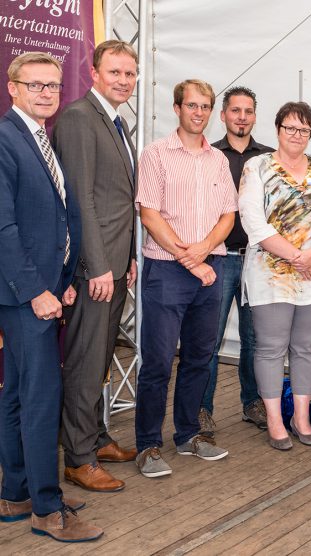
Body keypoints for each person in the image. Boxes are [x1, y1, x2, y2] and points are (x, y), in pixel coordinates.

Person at [0, 51, 98, 542]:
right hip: (24, 296)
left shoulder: (39, 138)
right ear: (12, 87)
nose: (45, 93)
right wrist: (37, 290)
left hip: (44, 291)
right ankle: (46, 507)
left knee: (18, 395)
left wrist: (61, 279)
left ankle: (16, 492)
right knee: (42, 399)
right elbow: (4, 227)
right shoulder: (5, 139)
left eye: (53, 85)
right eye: (35, 84)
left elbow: (55, 217)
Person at [134, 79, 237, 477]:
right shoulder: (156, 155)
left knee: (199, 358)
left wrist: (204, 249)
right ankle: (147, 446)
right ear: (177, 108)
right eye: (192, 105)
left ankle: (188, 435)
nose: (199, 112)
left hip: (211, 269)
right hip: (168, 270)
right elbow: (149, 215)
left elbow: (228, 215)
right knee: (158, 361)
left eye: (206, 106)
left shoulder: (217, 161)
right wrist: (191, 259)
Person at [51, 39, 139, 493]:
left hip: (114, 264)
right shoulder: (79, 117)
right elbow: (80, 199)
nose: (124, 80)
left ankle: (95, 437)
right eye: (116, 72)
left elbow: (118, 201)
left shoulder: (115, 122)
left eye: (130, 73)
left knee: (102, 357)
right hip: (94, 269)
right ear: (94, 73)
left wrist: (127, 260)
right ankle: (78, 459)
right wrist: (99, 264)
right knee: (85, 362)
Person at [239, 101, 311, 450]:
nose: (296, 135)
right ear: (278, 130)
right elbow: (253, 221)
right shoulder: (258, 167)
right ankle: (274, 420)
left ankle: (301, 417)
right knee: (270, 348)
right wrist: (298, 256)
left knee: (306, 348)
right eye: (290, 128)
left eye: (303, 130)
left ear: (310, 134)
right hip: (270, 275)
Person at [199, 86, 274, 437]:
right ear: (224, 115)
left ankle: (253, 403)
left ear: (255, 116)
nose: (242, 117)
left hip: (259, 261)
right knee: (209, 340)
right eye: (235, 111)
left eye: (248, 111)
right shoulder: (208, 155)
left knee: (255, 339)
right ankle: (202, 409)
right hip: (219, 259)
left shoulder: (270, 159)